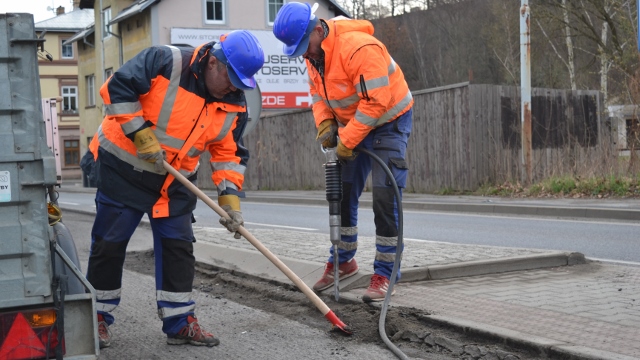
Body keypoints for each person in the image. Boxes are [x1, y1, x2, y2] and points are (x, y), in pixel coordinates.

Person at [81, 30, 264, 348]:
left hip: (174, 180)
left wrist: (230, 198)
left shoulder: (235, 103)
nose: (234, 86)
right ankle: (95, 316)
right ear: (213, 62)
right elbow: (117, 88)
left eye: (241, 81)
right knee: (110, 244)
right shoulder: (165, 61)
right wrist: (139, 131)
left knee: (179, 247)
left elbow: (229, 154)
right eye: (230, 77)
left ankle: (179, 321)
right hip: (124, 168)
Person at [273, 2, 414, 303]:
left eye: (303, 46)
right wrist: (325, 122)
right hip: (354, 122)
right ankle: (344, 260)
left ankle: (386, 272)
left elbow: (377, 102)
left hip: (389, 120)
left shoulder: (357, 48)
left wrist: (347, 140)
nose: (304, 55)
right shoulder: (314, 55)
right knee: (343, 191)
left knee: (385, 196)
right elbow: (317, 92)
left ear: (317, 29)